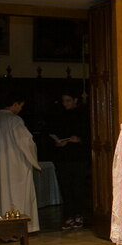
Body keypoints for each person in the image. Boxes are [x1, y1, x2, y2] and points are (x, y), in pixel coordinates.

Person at [0, 94, 41, 233]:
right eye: (20, 106)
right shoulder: (15, 120)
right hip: (17, 163)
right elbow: (26, 142)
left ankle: (5, 227)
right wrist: (34, 159)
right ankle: (23, 227)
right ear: (14, 104)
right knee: (20, 194)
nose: (20, 109)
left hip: (0, 163)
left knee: (4, 193)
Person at [48, 91, 90, 231]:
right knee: (66, 188)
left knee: (78, 187)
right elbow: (52, 131)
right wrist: (57, 141)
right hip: (63, 157)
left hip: (78, 158)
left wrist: (79, 139)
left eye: (68, 100)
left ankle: (79, 215)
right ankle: (69, 216)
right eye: (63, 101)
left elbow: (89, 134)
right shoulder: (59, 115)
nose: (65, 103)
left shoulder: (83, 114)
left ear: (75, 100)